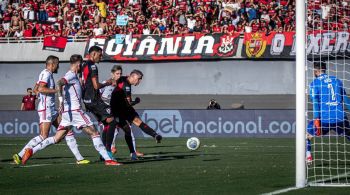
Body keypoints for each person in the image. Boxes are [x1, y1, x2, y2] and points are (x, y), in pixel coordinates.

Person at [21, 55, 121, 166]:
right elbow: (60, 83)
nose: (82, 67)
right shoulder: (70, 75)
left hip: (67, 114)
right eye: (81, 65)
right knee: (94, 132)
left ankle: (31, 151)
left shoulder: (74, 76)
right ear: (78, 64)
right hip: (75, 111)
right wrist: (60, 99)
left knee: (57, 138)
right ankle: (108, 160)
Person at [13, 55, 89, 165]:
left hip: (51, 109)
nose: (58, 67)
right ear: (52, 64)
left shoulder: (46, 74)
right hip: (46, 109)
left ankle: (79, 158)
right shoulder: (46, 74)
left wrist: (42, 94)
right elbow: (40, 88)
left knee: (67, 130)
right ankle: (20, 155)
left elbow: (36, 89)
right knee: (43, 135)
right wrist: (55, 90)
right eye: (57, 64)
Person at [110, 69, 162, 160]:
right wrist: (136, 101)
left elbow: (117, 80)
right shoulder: (127, 86)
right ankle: (111, 151)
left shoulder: (125, 79)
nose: (140, 81)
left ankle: (155, 135)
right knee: (123, 130)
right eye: (139, 79)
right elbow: (128, 103)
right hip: (119, 109)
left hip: (123, 107)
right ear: (133, 76)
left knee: (136, 122)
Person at [306, 61, 350, 164]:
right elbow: (346, 100)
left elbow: (316, 104)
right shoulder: (337, 80)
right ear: (324, 69)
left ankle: (308, 156)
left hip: (324, 119)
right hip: (340, 117)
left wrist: (317, 119)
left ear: (316, 71)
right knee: (348, 134)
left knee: (307, 134)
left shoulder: (314, 83)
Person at [81, 46, 119, 160]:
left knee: (107, 123)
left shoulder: (83, 65)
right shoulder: (93, 66)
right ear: (93, 54)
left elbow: (83, 82)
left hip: (87, 100)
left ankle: (104, 155)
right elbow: (96, 86)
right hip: (94, 100)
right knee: (112, 122)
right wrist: (107, 83)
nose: (101, 57)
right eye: (100, 54)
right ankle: (107, 152)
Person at [100, 65, 143, 157]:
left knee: (126, 129)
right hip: (106, 110)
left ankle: (132, 152)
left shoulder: (120, 85)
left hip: (115, 110)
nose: (119, 75)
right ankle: (107, 152)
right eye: (117, 73)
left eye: (120, 73)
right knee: (109, 129)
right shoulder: (106, 83)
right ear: (112, 74)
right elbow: (97, 93)